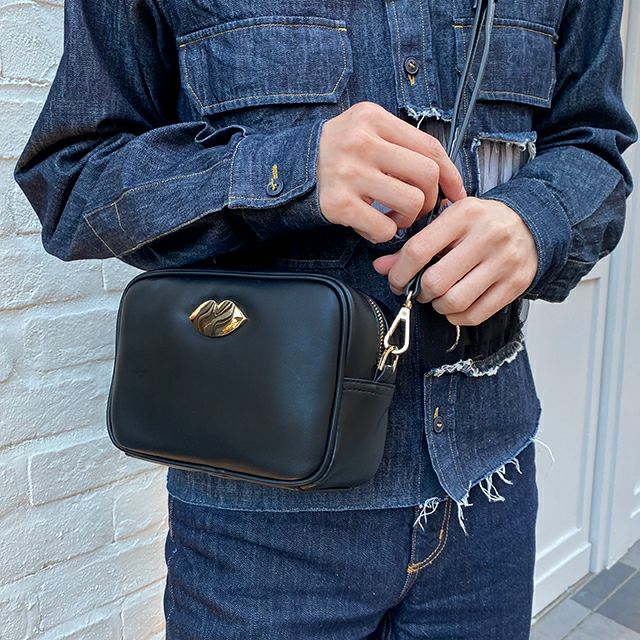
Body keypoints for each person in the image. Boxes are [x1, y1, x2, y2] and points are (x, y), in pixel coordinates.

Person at [13, 0, 637, 638]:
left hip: (488, 489)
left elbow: (593, 144)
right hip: (257, 524)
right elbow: (72, 180)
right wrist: (290, 167)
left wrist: (537, 218)